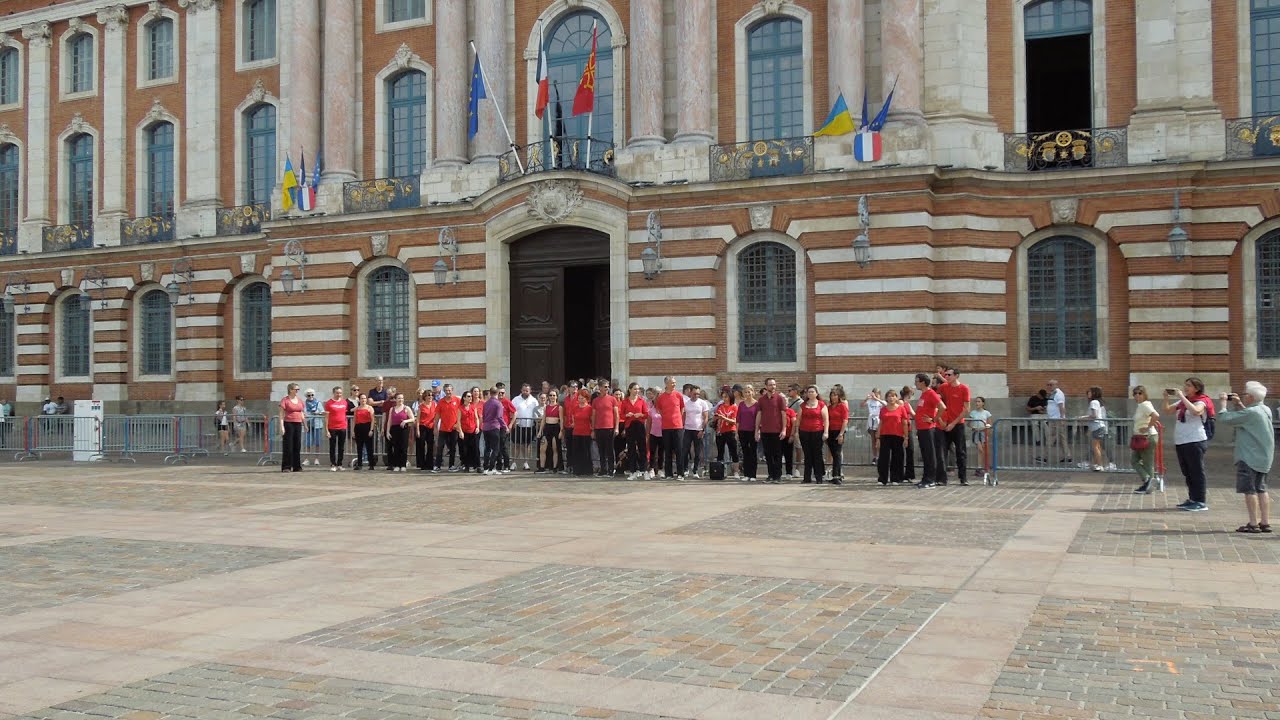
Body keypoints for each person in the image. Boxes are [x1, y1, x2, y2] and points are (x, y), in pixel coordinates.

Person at [1217, 382, 1274, 534]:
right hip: (1263, 456)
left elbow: (1225, 419)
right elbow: (1247, 418)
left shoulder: (1251, 413)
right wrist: (1239, 404)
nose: (1243, 396)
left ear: (1250, 396)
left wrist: (1223, 404)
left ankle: (1253, 523)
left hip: (1249, 456)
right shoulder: (1264, 409)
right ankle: (1265, 522)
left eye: (1244, 394)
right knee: (1261, 488)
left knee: (1250, 490)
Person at [1165, 377, 1213, 512]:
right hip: (1181, 441)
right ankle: (1192, 498)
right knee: (1188, 472)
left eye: (1189, 386)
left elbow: (1196, 411)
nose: (1186, 388)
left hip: (1195, 440)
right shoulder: (1183, 401)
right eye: (1185, 385)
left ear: (1197, 388)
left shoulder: (1202, 400)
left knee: (1197, 471)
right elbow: (1168, 410)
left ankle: (1200, 501)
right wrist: (1166, 398)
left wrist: (1182, 397)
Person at [938, 368, 972, 486]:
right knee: (942, 451)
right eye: (945, 374)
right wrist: (942, 420)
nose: (946, 376)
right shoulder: (943, 387)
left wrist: (953, 423)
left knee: (960, 452)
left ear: (956, 376)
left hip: (958, 425)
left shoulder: (964, 388)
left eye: (949, 374)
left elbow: (966, 409)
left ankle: (963, 478)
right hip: (945, 424)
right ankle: (942, 478)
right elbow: (938, 402)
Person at [913, 373, 946, 489]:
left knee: (930, 455)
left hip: (928, 429)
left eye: (917, 381)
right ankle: (925, 478)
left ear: (922, 382)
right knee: (925, 456)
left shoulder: (931, 393)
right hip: (921, 429)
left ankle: (931, 479)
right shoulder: (923, 394)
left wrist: (933, 419)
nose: (915, 383)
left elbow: (942, 407)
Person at [757, 378, 788, 484]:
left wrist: (784, 429)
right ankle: (770, 475)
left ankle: (777, 476)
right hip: (765, 430)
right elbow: (759, 414)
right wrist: (757, 430)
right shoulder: (761, 400)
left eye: (774, 384)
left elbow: (784, 414)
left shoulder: (780, 398)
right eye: (770, 385)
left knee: (777, 454)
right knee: (768, 454)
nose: (773, 386)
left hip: (777, 431)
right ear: (766, 386)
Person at [1130, 386, 1160, 494]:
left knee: (1147, 463)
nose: (1137, 395)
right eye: (1135, 394)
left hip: (1147, 437)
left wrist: (1147, 428)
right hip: (1140, 437)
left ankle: (1148, 484)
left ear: (1144, 394)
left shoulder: (1145, 405)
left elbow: (1156, 415)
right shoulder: (1141, 406)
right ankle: (1148, 480)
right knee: (1134, 460)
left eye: (1140, 393)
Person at [796, 385, 829, 485]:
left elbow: (826, 420)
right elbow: (798, 420)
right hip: (804, 432)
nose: (810, 393)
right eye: (808, 392)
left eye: (812, 392)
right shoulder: (803, 405)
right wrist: (796, 432)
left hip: (817, 432)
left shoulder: (821, 405)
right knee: (807, 455)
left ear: (817, 393)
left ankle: (819, 477)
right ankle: (807, 477)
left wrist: (826, 432)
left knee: (817, 455)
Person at [876, 389, 910, 484]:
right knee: (883, 458)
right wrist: (878, 437)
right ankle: (883, 478)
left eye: (893, 396)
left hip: (898, 435)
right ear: (886, 398)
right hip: (885, 435)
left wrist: (906, 437)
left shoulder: (901, 408)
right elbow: (881, 423)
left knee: (897, 457)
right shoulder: (883, 409)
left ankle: (896, 478)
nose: (891, 398)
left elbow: (904, 423)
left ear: (896, 397)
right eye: (889, 396)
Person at [656, 376, 687, 479]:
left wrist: (678, 419)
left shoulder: (679, 395)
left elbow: (682, 409)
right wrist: (666, 417)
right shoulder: (661, 397)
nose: (674, 384)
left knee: (679, 450)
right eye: (672, 383)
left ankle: (680, 473)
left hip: (678, 426)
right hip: (666, 427)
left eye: (675, 382)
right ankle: (668, 473)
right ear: (666, 384)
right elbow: (659, 409)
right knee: (667, 451)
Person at [592, 380, 621, 478]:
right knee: (601, 450)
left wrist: (616, 427)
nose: (607, 388)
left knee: (609, 450)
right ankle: (603, 470)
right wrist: (593, 429)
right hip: (599, 428)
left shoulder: (612, 399)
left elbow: (616, 415)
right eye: (605, 387)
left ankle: (611, 470)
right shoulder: (595, 400)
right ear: (599, 388)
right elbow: (593, 416)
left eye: (608, 387)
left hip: (609, 428)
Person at [681, 387, 711, 478]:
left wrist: (702, 429)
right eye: (694, 393)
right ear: (690, 393)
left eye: (698, 394)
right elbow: (683, 415)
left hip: (698, 429)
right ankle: (685, 469)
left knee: (697, 451)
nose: (696, 395)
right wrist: (682, 427)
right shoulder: (686, 403)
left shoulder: (703, 403)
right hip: (687, 429)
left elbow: (705, 417)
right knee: (685, 450)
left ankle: (695, 471)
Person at [621, 383, 649, 480]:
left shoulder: (642, 401)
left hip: (639, 425)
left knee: (642, 448)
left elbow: (646, 414)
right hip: (630, 426)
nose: (636, 391)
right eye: (634, 389)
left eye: (638, 389)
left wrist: (640, 415)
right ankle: (633, 471)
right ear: (629, 390)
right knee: (631, 449)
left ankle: (644, 470)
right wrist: (627, 415)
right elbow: (621, 415)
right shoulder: (624, 402)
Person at [1079, 387, 1109, 472]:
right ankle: (1097, 464)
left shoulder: (1094, 402)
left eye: (1090, 392)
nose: (1088, 393)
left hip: (1097, 426)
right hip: (1097, 426)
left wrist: (1083, 417)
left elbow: (1094, 415)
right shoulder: (1097, 402)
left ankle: (1099, 464)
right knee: (1097, 446)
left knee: (1096, 447)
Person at [568, 387, 595, 476]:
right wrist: (573, 424)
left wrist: (592, 431)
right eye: (579, 398)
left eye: (582, 398)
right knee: (577, 452)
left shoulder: (589, 408)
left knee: (586, 452)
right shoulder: (575, 407)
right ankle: (577, 470)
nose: (580, 400)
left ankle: (587, 470)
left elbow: (592, 420)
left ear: (586, 398)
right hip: (576, 432)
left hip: (586, 433)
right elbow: (573, 418)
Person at [512, 383, 540, 470]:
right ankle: (513, 462)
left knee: (527, 445)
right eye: (524, 390)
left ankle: (526, 462)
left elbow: (537, 412)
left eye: (527, 390)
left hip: (529, 426)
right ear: (521, 390)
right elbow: (512, 411)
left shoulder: (534, 400)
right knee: (516, 445)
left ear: (530, 391)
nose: (525, 392)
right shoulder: (516, 399)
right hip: (518, 426)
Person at [715, 387, 740, 480]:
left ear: (730, 397)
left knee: (733, 452)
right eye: (723, 397)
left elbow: (734, 421)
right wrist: (716, 419)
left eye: (726, 397)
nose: (724, 399)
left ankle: (736, 472)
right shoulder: (720, 407)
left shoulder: (734, 407)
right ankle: (720, 472)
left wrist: (724, 418)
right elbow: (716, 418)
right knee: (720, 452)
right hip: (721, 432)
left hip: (731, 431)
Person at [826, 385, 849, 485]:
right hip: (830, 431)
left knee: (837, 454)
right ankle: (836, 474)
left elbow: (845, 420)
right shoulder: (829, 407)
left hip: (838, 431)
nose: (833, 397)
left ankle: (836, 476)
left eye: (835, 395)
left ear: (839, 396)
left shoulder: (842, 406)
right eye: (832, 395)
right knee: (833, 454)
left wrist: (841, 434)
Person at [278, 383, 304, 472]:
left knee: (297, 445)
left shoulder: (300, 400)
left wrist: (305, 424)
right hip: (288, 423)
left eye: (298, 389)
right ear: (290, 390)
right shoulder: (285, 400)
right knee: (288, 445)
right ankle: (286, 466)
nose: (297, 391)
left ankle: (297, 466)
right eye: (296, 389)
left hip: (298, 423)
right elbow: (281, 414)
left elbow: (301, 413)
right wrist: (282, 426)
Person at [384, 393, 413, 472]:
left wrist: (406, 421)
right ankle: (396, 465)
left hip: (403, 429)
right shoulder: (392, 409)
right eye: (399, 398)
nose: (400, 400)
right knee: (396, 447)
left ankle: (403, 465)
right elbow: (389, 421)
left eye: (402, 398)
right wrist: (387, 432)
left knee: (403, 447)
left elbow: (413, 418)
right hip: (394, 429)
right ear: (395, 399)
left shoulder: (406, 408)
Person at [968, 396, 993, 482]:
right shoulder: (973, 413)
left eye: (979, 402)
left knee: (983, 450)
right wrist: (973, 427)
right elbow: (969, 423)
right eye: (976, 402)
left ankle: (984, 467)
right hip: (976, 433)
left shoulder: (987, 413)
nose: (977, 403)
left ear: (983, 403)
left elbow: (989, 424)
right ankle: (980, 467)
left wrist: (986, 430)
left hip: (983, 433)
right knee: (980, 449)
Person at [736, 385, 759, 482]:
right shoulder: (741, 404)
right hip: (742, 430)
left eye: (749, 392)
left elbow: (759, 418)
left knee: (753, 452)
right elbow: (738, 419)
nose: (747, 394)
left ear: (753, 392)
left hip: (753, 431)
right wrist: (737, 432)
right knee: (745, 453)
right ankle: (746, 474)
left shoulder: (757, 404)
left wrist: (758, 431)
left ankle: (753, 474)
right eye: (745, 392)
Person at [323, 386, 349, 471]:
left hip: (342, 427)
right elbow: (326, 417)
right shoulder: (329, 403)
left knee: (341, 447)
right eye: (337, 393)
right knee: (332, 446)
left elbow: (345, 414)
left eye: (340, 393)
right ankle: (333, 464)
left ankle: (340, 464)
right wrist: (326, 430)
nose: (339, 394)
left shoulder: (344, 402)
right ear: (333, 393)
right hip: (332, 427)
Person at [1045, 379, 1070, 464]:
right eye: (1048, 384)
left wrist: (1062, 418)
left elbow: (1061, 406)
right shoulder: (1053, 394)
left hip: (1056, 420)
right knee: (1062, 439)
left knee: (1050, 438)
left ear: (1056, 385)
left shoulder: (1058, 394)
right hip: (1054, 419)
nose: (1049, 386)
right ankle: (1068, 456)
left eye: (1051, 385)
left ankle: (1045, 457)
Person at [481, 387, 505, 475]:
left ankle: (485, 468)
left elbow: (483, 415)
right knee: (495, 449)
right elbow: (499, 417)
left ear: (490, 393)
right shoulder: (498, 403)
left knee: (487, 448)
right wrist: (505, 426)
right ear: (497, 393)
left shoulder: (486, 403)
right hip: (494, 427)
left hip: (486, 427)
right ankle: (491, 468)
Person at [539, 389, 563, 474]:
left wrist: (561, 431)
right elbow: (543, 419)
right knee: (543, 448)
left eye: (554, 395)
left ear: (556, 397)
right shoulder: (546, 407)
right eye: (550, 395)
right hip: (547, 428)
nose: (552, 397)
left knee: (555, 448)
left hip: (555, 428)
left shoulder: (559, 408)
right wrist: (540, 431)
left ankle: (555, 467)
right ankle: (542, 467)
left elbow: (562, 420)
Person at [415, 389, 437, 472]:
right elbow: (418, 419)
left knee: (430, 445)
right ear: (425, 396)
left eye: (431, 395)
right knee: (421, 445)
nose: (430, 397)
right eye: (428, 395)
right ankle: (422, 464)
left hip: (431, 427)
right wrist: (417, 430)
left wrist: (435, 427)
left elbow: (436, 417)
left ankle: (430, 464)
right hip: (422, 427)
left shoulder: (435, 404)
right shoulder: (421, 406)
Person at [352, 394, 376, 470]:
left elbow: (373, 420)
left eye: (365, 398)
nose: (363, 400)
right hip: (358, 428)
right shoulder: (357, 409)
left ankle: (371, 464)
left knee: (369, 447)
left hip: (367, 427)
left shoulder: (370, 408)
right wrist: (353, 431)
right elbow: (354, 420)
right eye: (362, 398)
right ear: (359, 399)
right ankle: (359, 464)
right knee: (359, 447)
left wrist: (371, 430)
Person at [785, 384, 804, 478]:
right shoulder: (789, 401)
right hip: (789, 429)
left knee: (798, 448)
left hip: (797, 428)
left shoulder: (800, 402)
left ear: (795, 391)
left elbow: (799, 416)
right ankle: (790, 469)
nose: (788, 392)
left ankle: (797, 468)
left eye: (790, 390)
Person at [459, 392, 481, 473]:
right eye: (468, 396)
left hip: (473, 430)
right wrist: (460, 431)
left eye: (471, 396)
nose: (470, 398)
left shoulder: (473, 407)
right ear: (464, 398)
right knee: (465, 450)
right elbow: (458, 421)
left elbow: (476, 418)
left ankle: (478, 466)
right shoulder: (460, 408)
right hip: (464, 431)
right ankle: (467, 466)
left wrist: (478, 427)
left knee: (475, 448)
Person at [899, 386, 916, 482]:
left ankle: (909, 474)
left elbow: (914, 414)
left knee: (910, 451)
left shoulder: (907, 404)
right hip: (901, 429)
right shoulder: (901, 402)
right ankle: (900, 474)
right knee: (900, 452)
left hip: (908, 428)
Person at [646, 387, 663, 479]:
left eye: (660, 394)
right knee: (652, 452)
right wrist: (647, 434)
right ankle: (651, 469)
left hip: (663, 433)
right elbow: (648, 422)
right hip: (653, 433)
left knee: (661, 452)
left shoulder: (664, 407)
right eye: (657, 394)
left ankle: (660, 469)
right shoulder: (651, 408)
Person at [1026, 388, 1048, 458]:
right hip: (1034, 414)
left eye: (1043, 397)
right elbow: (1027, 408)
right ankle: (1037, 439)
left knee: (1045, 424)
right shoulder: (1033, 398)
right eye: (1041, 397)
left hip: (1043, 414)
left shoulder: (1045, 399)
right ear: (1038, 394)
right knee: (1035, 423)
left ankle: (1049, 439)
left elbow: (1048, 409)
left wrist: (1044, 410)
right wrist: (1035, 408)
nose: (1042, 398)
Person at [863, 389, 884, 459]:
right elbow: (861, 405)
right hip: (871, 421)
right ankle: (875, 456)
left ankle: (881, 455)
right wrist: (866, 398)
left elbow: (886, 404)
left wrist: (877, 399)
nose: (875, 395)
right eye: (874, 393)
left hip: (879, 421)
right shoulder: (869, 401)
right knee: (873, 440)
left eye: (877, 394)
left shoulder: (880, 402)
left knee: (879, 439)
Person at [303, 389, 322, 465]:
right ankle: (306, 459)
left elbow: (323, 412)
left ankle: (317, 459)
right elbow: (302, 413)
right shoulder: (304, 404)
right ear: (306, 396)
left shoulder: (318, 403)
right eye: (309, 395)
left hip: (317, 424)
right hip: (308, 424)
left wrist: (318, 412)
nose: (311, 396)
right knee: (307, 442)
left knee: (317, 442)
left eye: (312, 395)